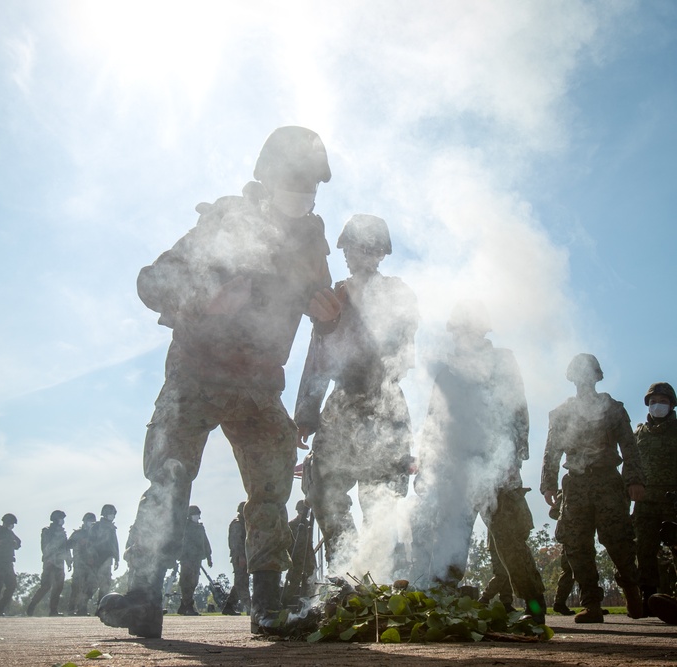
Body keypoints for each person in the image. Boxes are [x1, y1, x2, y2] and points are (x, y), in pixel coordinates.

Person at [96, 126, 341, 639]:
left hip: (259, 387)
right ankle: (143, 596)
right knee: (170, 474)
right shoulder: (225, 221)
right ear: (267, 178)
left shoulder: (311, 239)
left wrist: (324, 310)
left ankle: (268, 607)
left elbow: (316, 299)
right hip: (197, 373)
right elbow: (152, 281)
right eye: (296, 182)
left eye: (313, 185)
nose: (306, 195)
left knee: (272, 486)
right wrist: (204, 297)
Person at [295, 214, 418, 572]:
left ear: (379, 252)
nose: (352, 255)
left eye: (362, 247)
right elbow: (316, 356)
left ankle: (381, 580)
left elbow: (402, 354)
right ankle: (345, 574)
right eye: (348, 247)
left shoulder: (397, 293)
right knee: (323, 490)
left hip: (384, 405)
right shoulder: (333, 296)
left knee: (383, 501)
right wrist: (306, 412)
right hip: (340, 406)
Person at [410, 301, 545, 622]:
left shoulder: (502, 361)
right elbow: (434, 422)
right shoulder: (448, 370)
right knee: (451, 536)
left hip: (496, 463)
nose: (461, 336)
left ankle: (536, 609)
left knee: (509, 538)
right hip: (455, 465)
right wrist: (427, 466)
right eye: (458, 330)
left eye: (467, 329)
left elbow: (517, 409)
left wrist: (514, 456)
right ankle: (444, 604)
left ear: (481, 331)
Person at [540, 353, 645, 622]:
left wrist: (634, 479)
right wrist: (548, 484)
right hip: (575, 484)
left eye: (589, 374)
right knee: (576, 545)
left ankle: (632, 592)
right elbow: (552, 450)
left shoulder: (613, 409)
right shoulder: (562, 413)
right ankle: (592, 604)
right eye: (579, 374)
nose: (584, 380)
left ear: (597, 377)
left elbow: (630, 447)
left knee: (619, 540)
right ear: (572, 378)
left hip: (607, 481)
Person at [633, 382, 677, 610]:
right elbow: (631, 464)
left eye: (663, 401)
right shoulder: (639, 433)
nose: (657, 405)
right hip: (645, 501)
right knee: (644, 549)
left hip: (673, 500)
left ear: (671, 404)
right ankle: (648, 598)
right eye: (653, 402)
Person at [26, 510, 73, 616]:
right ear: (56, 519)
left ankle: (53, 610)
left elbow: (66, 548)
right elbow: (45, 547)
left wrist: (69, 560)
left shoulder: (62, 532)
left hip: (60, 563)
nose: (62, 521)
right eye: (61, 518)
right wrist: (51, 556)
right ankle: (32, 606)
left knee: (58, 587)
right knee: (46, 586)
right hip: (50, 562)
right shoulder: (47, 531)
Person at [175, 505, 212, 615]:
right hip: (186, 558)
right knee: (186, 582)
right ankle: (188, 606)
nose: (196, 517)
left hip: (196, 559)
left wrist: (209, 556)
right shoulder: (184, 528)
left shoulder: (200, 528)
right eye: (194, 515)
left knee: (194, 582)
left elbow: (206, 542)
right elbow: (179, 542)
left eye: (197, 515)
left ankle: (184, 605)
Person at [284, 499, 317, 608]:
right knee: (294, 582)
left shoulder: (309, 525)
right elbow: (288, 543)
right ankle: (285, 603)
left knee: (309, 582)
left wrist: (312, 560)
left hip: (307, 558)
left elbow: (309, 544)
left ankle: (306, 604)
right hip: (296, 558)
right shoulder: (292, 525)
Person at [0, 513, 21, 616]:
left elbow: (19, 543)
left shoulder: (10, 533)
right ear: (5, 522)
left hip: (8, 564)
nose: (11, 525)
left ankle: (1, 609)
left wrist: (15, 543)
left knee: (12, 585)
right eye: (11, 523)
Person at [67, 512, 98, 615]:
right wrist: (79, 542)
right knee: (77, 586)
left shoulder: (95, 534)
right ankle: (72, 609)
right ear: (84, 522)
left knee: (93, 585)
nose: (91, 523)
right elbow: (68, 544)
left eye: (93, 521)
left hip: (91, 564)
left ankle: (82, 607)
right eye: (89, 521)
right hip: (79, 564)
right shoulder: (77, 533)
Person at [221, 502, 248, 615]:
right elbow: (236, 543)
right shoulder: (237, 524)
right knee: (241, 581)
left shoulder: (244, 523)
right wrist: (241, 556)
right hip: (239, 557)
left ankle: (229, 605)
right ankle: (250, 606)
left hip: (245, 556)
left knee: (240, 581)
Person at [90, 504, 120, 606]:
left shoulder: (112, 528)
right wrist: (92, 556)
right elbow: (91, 543)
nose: (113, 516)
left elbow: (115, 544)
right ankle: (81, 607)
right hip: (97, 557)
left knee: (106, 584)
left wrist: (117, 558)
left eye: (113, 514)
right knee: (93, 584)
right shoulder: (96, 526)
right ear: (105, 514)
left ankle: (101, 606)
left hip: (108, 558)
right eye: (111, 514)